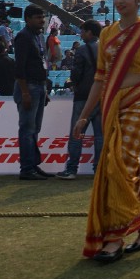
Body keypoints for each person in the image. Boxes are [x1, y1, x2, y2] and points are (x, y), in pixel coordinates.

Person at [73, 0, 140, 263]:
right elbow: (99, 80)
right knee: (114, 166)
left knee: (120, 161)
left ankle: (115, 238)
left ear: (138, 0)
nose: (119, 2)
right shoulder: (106, 35)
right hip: (112, 104)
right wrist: (82, 117)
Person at [59, 20, 104, 179]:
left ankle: (71, 170)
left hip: (84, 96)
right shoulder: (106, 49)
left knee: (77, 134)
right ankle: (99, 169)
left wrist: (74, 83)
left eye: (83, 31)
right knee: (100, 136)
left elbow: (76, 74)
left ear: (90, 32)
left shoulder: (82, 50)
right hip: (102, 97)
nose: (81, 34)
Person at [14, 6, 52, 180]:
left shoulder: (38, 36)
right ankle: (27, 168)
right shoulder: (23, 37)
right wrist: (25, 92)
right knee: (27, 129)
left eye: (43, 17)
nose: (42, 20)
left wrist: (44, 89)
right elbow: (19, 67)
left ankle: (33, 165)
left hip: (38, 86)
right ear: (28, 19)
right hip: (28, 86)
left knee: (34, 129)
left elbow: (41, 62)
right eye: (38, 17)